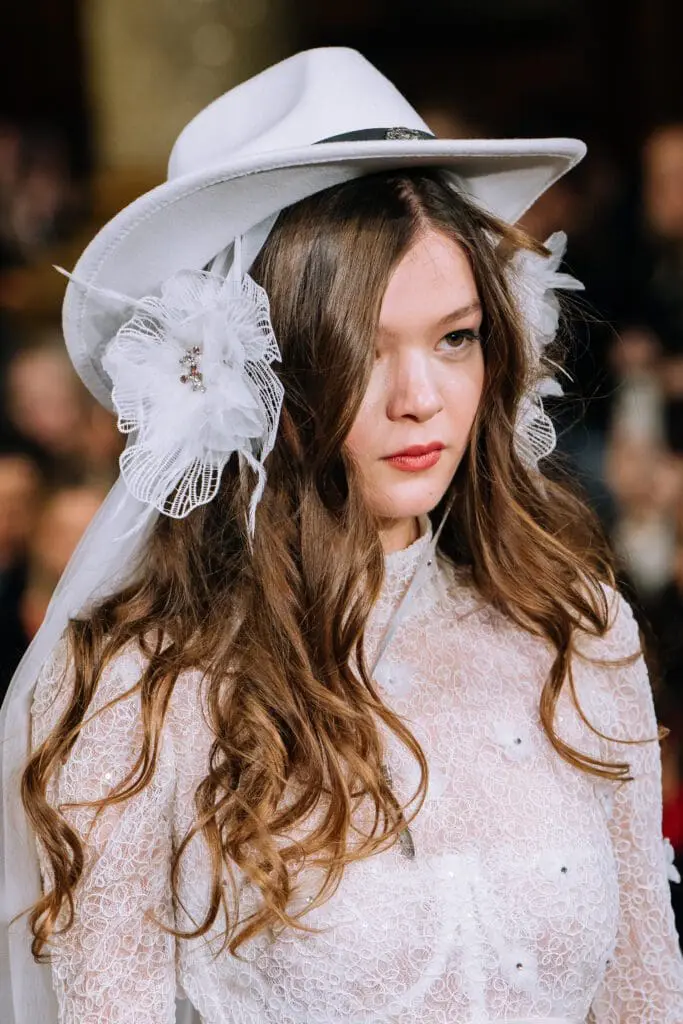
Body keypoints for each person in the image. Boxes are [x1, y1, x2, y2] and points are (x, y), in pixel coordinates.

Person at [1, 47, 682, 1024]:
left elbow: (642, 996)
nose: (421, 400)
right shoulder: (146, 686)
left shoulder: (573, 627)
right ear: (256, 376)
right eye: (362, 348)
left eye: (454, 338)